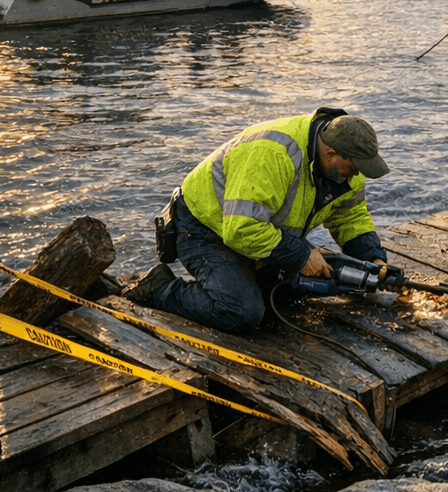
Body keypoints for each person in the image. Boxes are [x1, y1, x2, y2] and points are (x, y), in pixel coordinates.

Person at [125, 111, 391, 333]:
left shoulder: (344, 171)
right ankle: (159, 288)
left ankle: (247, 277)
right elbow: (241, 229)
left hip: (260, 229)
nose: (359, 173)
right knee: (241, 312)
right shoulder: (274, 154)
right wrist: (300, 255)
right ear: (331, 154)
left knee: (300, 290)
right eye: (355, 166)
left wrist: (374, 258)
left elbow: (350, 217)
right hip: (203, 227)